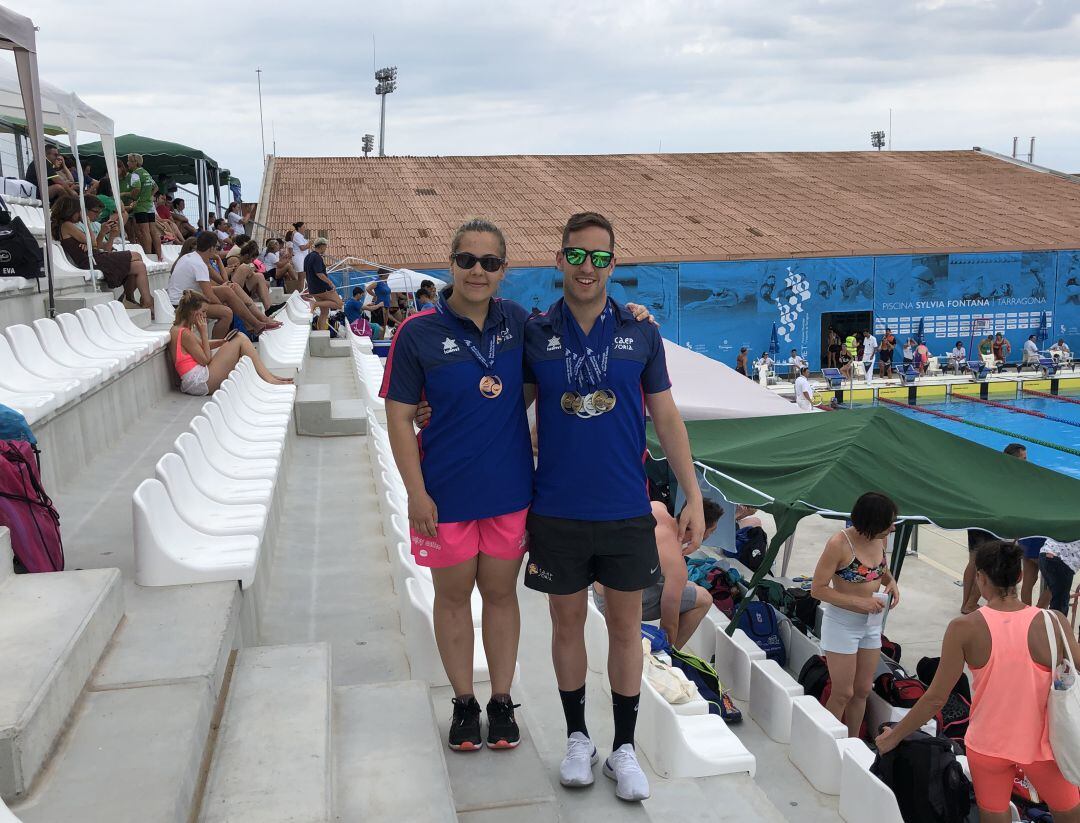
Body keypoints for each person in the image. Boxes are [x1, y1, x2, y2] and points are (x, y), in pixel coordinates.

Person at [522, 212, 704, 803]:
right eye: (577, 255)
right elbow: (503, 411)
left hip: (626, 510)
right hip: (557, 509)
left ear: (614, 265)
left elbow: (667, 416)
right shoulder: (536, 332)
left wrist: (692, 493)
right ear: (559, 259)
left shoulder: (640, 332)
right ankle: (579, 739)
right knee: (566, 626)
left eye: (600, 258)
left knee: (627, 629)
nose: (587, 267)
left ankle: (623, 747)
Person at [876, 540, 1080, 823]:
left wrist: (894, 736)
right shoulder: (1054, 622)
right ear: (1020, 576)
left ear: (981, 578)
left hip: (987, 744)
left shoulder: (964, 627)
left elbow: (936, 697)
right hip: (1044, 746)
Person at [810, 491, 900, 738]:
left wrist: (891, 582)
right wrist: (857, 602)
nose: (893, 528)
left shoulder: (879, 541)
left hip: (870, 624)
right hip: (842, 624)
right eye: (889, 523)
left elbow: (881, 569)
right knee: (842, 693)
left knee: (862, 689)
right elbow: (817, 589)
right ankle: (825, 741)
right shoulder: (839, 544)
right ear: (872, 523)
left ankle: (852, 742)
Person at [592, 499, 722, 650]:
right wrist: (666, 649)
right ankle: (671, 655)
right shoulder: (676, 564)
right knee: (704, 598)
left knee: (687, 586)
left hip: (598, 585)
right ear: (701, 528)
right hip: (615, 608)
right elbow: (669, 623)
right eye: (711, 531)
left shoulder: (656, 507)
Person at [170, 290, 292, 396]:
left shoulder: (177, 329)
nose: (205, 316)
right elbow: (205, 360)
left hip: (195, 381)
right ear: (193, 312)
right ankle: (268, 378)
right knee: (241, 338)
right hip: (199, 382)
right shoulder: (185, 334)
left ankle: (268, 376)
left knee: (238, 338)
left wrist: (223, 342)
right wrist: (203, 331)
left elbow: (202, 344)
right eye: (203, 311)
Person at [50, 194, 152, 312]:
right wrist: (87, 225)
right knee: (136, 255)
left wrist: (87, 243)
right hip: (91, 259)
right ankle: (145, 302)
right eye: (79, 211)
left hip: (93, 257)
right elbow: (92, 241)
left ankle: (140, 300)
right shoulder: (67, 225)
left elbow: (91, 243)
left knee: (139, 266)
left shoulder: (66, 226)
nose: (80, 214)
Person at [167, 232, 280, 337]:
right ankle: (217, 347)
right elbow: (209, 295)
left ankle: (258, 323)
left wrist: (219, 261)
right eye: (216, 248)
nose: (218, 251)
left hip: (187, 298)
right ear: (211, 248)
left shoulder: (193, 257)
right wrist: (226, 304)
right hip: (182, 304)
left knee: (228, 290)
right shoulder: (198, 264)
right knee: (227, 313)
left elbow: (222, 281)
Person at [120, 153, 161, 260]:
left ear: (135, 162)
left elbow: (136, 189)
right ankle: (160, 255)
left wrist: (125, 194)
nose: (127, 163)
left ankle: (148, 256)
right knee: (153, 231)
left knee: (144, 232)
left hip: (141, 206)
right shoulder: (146, 173)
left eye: (129, 161)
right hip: (149, 205)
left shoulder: (135, 174)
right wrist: (148, 196)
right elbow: (156, 187)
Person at [1039, 537, 1080, 617]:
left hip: (1047, 553)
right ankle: (1054, 627)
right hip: (1061, 560)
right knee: (1060, 606)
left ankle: (1042, 622)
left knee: (1057, 598)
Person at [228, 241, 273, 310]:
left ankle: (269, 308)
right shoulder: (234, 259)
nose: (252, 262)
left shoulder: (243, 262)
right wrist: (250, 272)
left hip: (241, 288)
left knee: (259, 276)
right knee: (245, 268)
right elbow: (235, 279)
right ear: (246, 256)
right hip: (234, 289)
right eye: (252, 259)